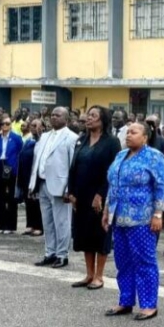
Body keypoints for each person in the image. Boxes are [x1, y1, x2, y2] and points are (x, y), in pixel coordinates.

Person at [103, 122, 164, 321]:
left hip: (142, 219)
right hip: (118, 217)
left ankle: (149, 305)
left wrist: (158, 214)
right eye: (127, 132)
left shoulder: (154, 157)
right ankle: (126, 301)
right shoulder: (120, 155)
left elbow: (162, 186)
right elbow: (113, 184)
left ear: (145, 136)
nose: (128, 135)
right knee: (123, 262)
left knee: (144, 261)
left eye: (134, 132)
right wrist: (107, 210)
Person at [68, 106, 120, 290]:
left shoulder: (112, 142)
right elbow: (73, 166)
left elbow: (112, 172)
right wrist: (71, 192)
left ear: (102, 120)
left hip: (99, 195)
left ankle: (99, 276)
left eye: (93, 116)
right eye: (88, 116)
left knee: (100, 234)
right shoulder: (81, 140)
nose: (88, 119)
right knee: (84, 234)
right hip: (81, 194)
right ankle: (89, 274)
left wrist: (101, 195)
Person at [30, 107, 78, 269]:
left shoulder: (71, 137)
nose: (54, 118)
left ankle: (62, 255)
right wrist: (32, 183)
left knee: (62, 222)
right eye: (52, 115)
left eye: (58, 115)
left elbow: (73, 165)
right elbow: (37, 161)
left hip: (60, 186)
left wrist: (69, 189)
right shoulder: (44, 136)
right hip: (43, 183)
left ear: (66, 119)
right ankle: (49, 253)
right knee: (47, 222)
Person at [0, 116, 23, 234]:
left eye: (8, 124)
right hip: (0, 167)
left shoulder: (16, 138)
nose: (5, 126)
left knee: (11, 198)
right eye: (3, 124)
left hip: (12, 168)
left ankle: (11, 226)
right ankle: (2, 225)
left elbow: (20, 153)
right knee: (0, 197)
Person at [18, 119, 44, 236]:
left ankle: (38, 226)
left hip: (36, 175)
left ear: (42, 127)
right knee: (28, 201)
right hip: (26, 175)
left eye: (35, 125)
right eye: (31, 125)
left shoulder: (43, 141)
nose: (33, 128)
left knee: (36, 202)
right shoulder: (28, 141)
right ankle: (30, 225)